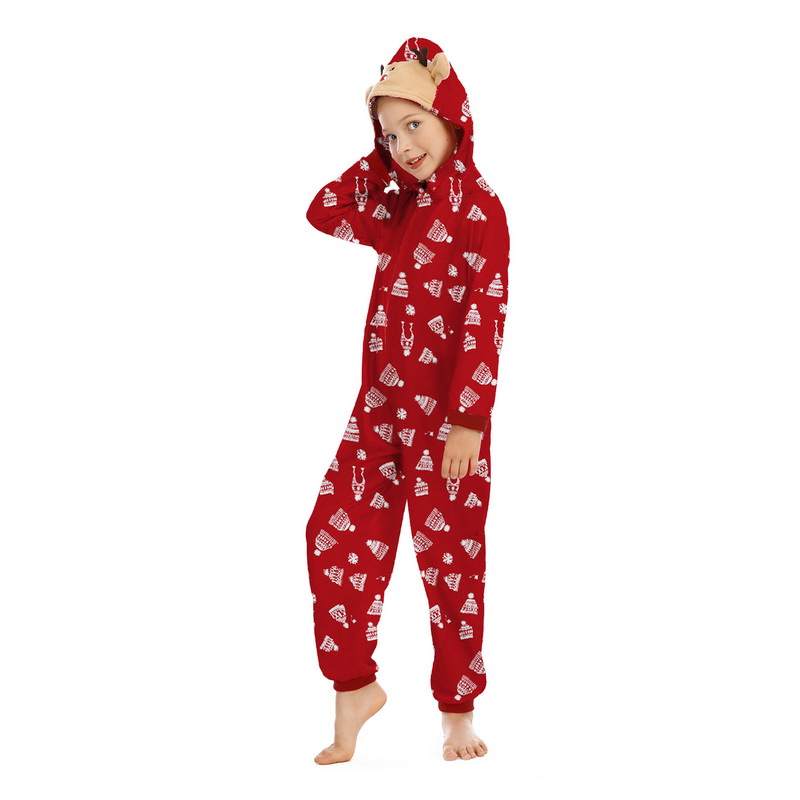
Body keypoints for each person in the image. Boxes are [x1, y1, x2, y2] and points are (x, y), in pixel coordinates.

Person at [304, 36, 510, 765]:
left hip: (448, 423)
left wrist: (470, 421)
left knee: (450, 561)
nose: (403, 146)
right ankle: (354, 687)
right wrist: (379, 159)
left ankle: (458, 710)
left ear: (452, 117)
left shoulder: (482, 211)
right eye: (389, 135)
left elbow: (485, 315)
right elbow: (323, 210)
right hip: (379, 411)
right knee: (332, 535)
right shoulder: (398, 208)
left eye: (414, 125)